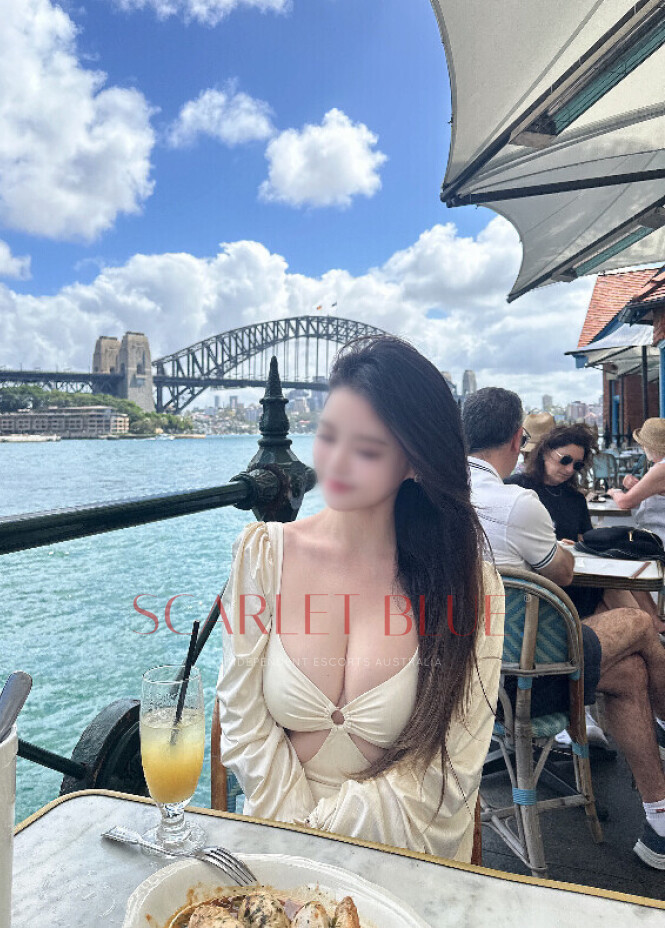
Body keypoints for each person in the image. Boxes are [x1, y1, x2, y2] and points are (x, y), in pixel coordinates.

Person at [216, 335, 505, 861]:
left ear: (415, 463)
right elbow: (241, 718)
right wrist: (299, 842)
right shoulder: (263, 554)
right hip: (281, 847)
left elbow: (453, 763)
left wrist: (325, 837)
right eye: (328, 435)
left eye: (367, 449)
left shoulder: (471, 584)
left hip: (405, 852)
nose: (336, 463)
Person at [462, 387, 665, 870]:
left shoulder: (430, 495)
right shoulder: (518, 502)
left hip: (466, 675)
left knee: (630, 673)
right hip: (526, 676)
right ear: (519, 440)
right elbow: (562, 572)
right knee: (640, 624)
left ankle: (660, 821)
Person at [511, 422, 665, 634]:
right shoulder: (516, 488)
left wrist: (577, 545)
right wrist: (555, 546)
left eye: (577, 465)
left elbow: (585, 540)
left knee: (630, 613)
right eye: (565, 460)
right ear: (545, 451)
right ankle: (653, 631)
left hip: (576, 582)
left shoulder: (575, 498)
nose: (569, 469)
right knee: (632, 618)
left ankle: (652, 631)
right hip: (538, 588)